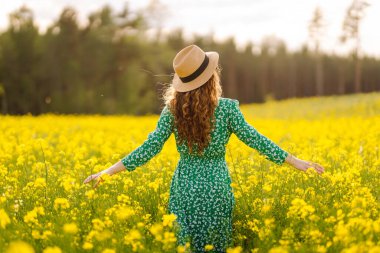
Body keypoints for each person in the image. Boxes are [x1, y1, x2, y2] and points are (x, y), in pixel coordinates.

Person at [83, 44, 325, 252]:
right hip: (216, 188)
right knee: (216, 245)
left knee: (185, 244)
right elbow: (257, 140)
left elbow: (149, 148)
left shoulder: (173, 110)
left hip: (185, 189)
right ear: (212, 77)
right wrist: (297, 162)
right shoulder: (228, 109)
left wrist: (107, 172)